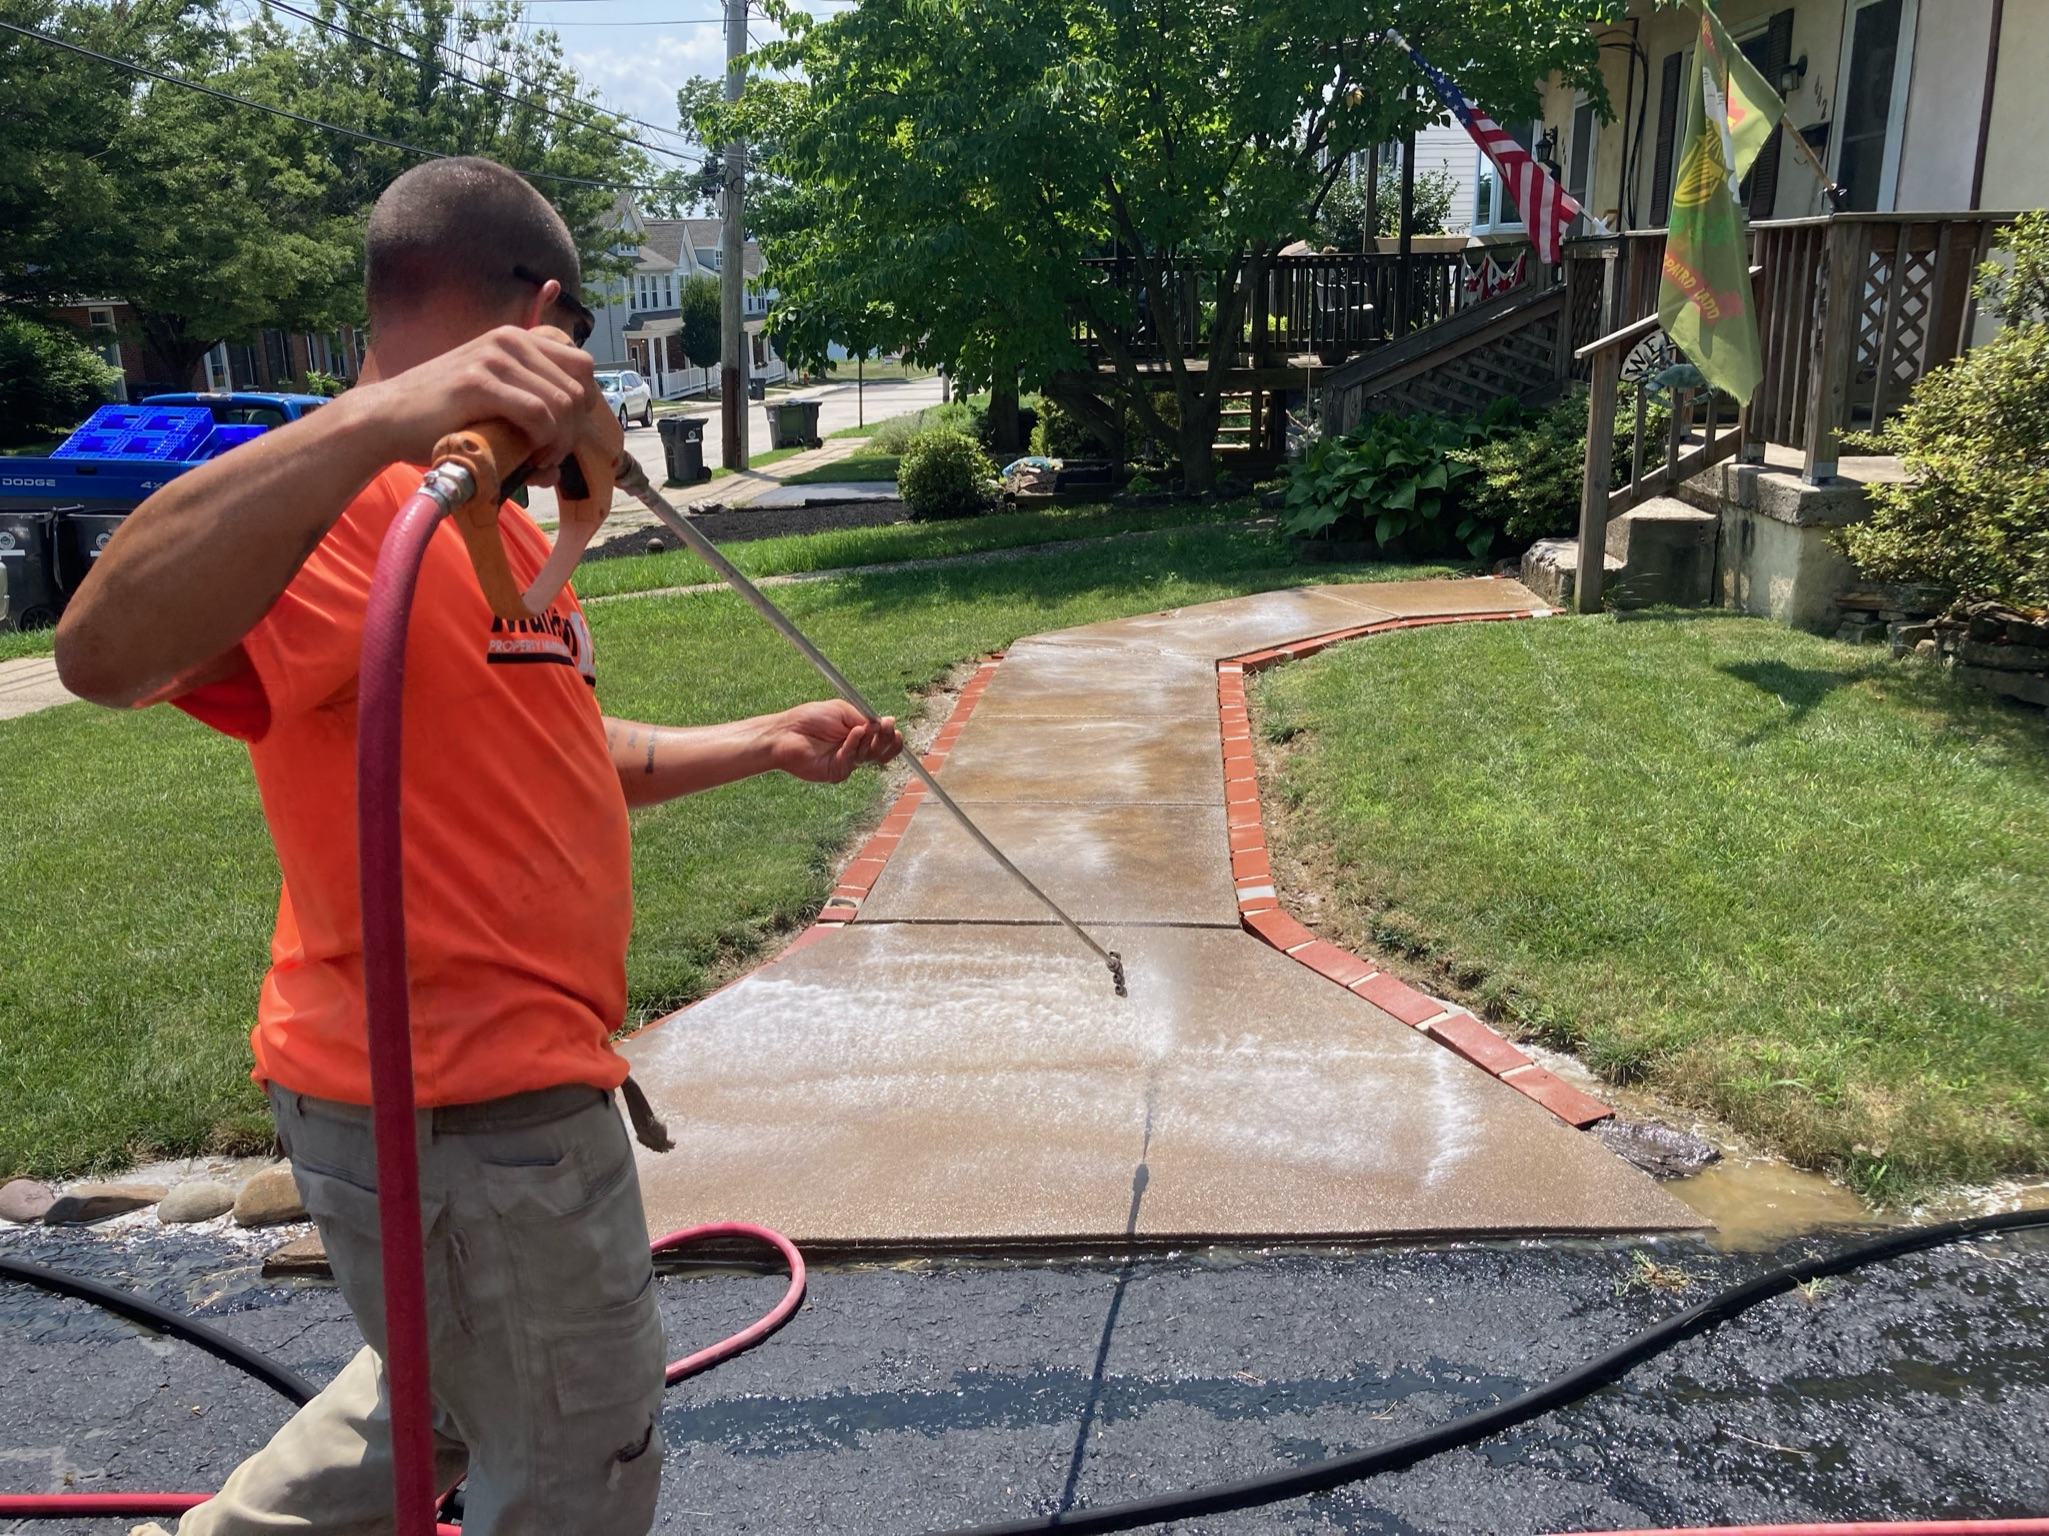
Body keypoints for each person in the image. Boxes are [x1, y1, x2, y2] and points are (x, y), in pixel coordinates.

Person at [55, 156, 903, 1536]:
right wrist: (391, 416)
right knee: (574, 1461)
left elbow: (560, 754)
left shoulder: (495, 531)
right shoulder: (350, 510)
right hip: (462, 1109)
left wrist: (760, 740)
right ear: (548, 315)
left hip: (477, 1094)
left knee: (440, 1403)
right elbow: (97, 653)